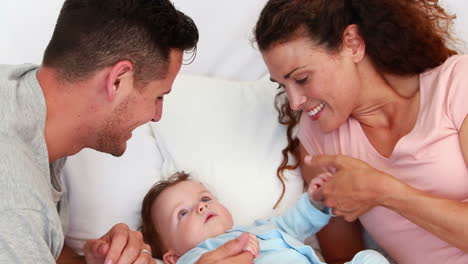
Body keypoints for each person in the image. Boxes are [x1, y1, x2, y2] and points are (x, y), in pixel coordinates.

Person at [253, 0, 468, 264]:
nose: (295, 101)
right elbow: (345, 259)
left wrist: (384, 191)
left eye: (301, 79)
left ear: (352, 44)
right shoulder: (320, 140)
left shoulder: (456, 85)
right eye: (282, 85)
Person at [0, 0, 206, 263]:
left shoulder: (22, 95)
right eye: (158, 96)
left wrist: (92, 260)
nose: (157, 114)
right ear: (118, 80)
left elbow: (35, 242)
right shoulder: (15, 204)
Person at [140, 171, 389, 264]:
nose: (202, 208)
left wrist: (316, 202)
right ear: (172, 258)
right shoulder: (194, 259)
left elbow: (291, 223)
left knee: (370, 259)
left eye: (205, 199)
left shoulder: (260, 229)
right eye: (182, 213)